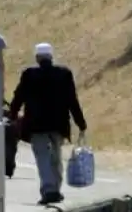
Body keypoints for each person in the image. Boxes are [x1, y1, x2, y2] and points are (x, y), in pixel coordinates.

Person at [10, 43, 87, 205]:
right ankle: (56, 189)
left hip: (36, 125)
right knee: (56, 157)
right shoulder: (64, 74)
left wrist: (12, 114)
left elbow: (19, 97)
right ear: (51, 57)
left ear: (37, 58)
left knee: (43, 157)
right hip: (58, 124)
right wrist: (81, 123)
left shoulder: (29, 74)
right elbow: (72, 100)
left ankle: (49, 190)